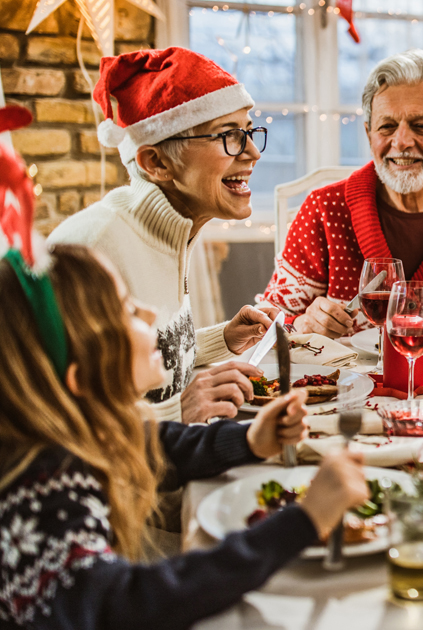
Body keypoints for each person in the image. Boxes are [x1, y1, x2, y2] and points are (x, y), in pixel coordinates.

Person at [0, 132, 369, 628]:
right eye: (130, 311)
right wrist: (301, 522)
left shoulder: (77, 430)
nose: (150, 311)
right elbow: (135, 603)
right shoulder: (42, 494)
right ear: (82, 376)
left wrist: (250, 439)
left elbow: (160, 443)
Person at [49, 47, 278, 425]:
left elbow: (146, 366)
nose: (252, 152)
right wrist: (177, 412)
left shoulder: (173, 229)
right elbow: (54, 416)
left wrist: (223, 339)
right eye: (229, 136)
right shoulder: (90, 250)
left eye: (249, 132)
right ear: (156, 163)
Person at [257, 49, 423, 337]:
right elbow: (264, 324)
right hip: (345, 381)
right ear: (369, 135)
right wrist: (299, 324)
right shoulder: (324, 208)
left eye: (420, 126)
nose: (402, 141)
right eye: (387, 126)